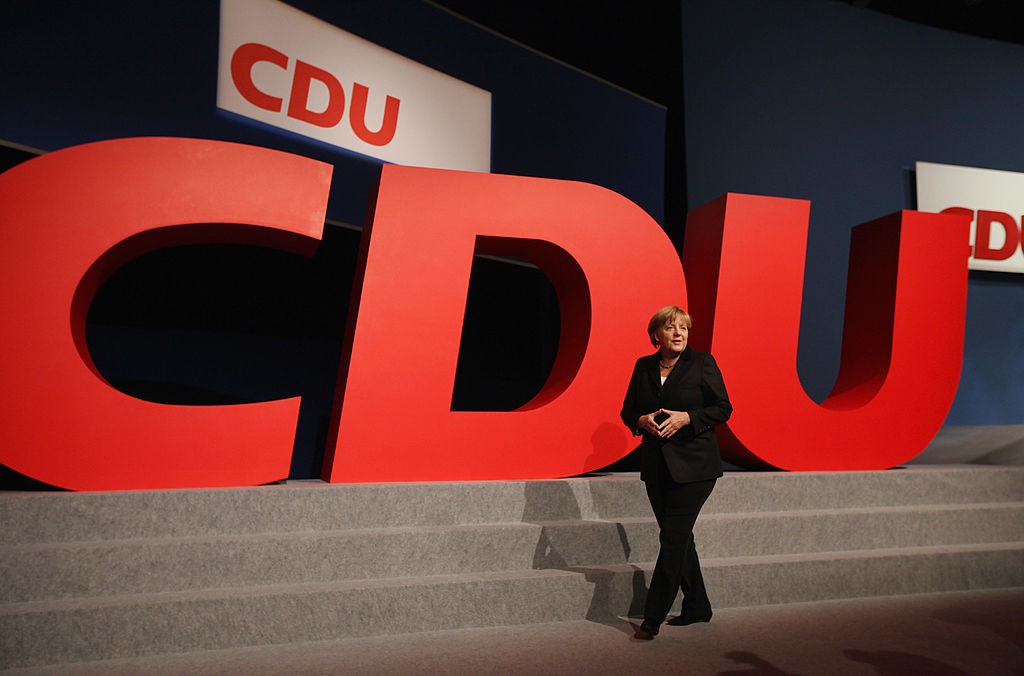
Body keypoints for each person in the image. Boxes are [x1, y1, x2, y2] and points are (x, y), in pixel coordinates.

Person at [619, 305, 732, 641]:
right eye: (671, 327)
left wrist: (688, 418)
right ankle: (698, 605)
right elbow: (628, 410)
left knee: (671, 539)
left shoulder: (702, 364)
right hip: (656, 467)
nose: (679, 333)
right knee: (681, 538)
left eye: (683, 327)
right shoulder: (643, 366)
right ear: (657, 335)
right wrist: (640, 421)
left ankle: (652, 618)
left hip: (696, 468)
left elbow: (723, 408)